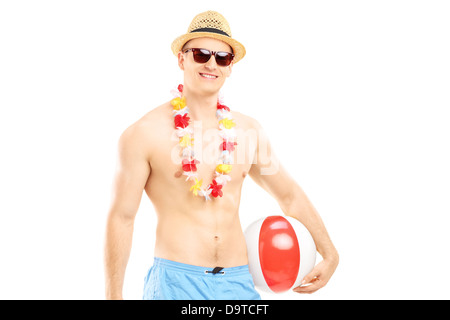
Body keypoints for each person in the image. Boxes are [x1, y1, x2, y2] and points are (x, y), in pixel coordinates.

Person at [104, 10, 338, 300]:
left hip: (237, 282)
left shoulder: (249, 132)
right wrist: (113, 296)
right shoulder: (143, 134)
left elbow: (288, 195)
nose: (211, 64)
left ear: (229, 67)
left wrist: (329, 253)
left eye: (222, 58)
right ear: (182, 59)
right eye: (201, 54)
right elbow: (122, 218)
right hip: (175, 283)